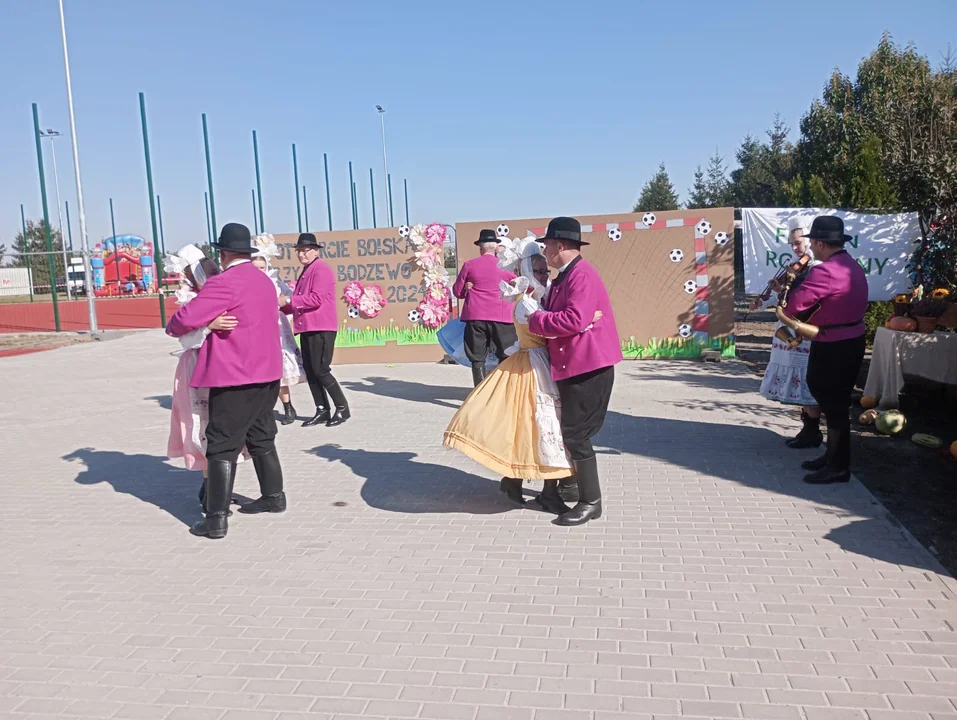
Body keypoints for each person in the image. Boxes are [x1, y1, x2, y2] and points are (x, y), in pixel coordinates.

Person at [444, 237, 599, 514]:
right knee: (543, 428)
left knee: (535, 429)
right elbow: (550, 330)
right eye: (538, 271)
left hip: (540, 365)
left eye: (545, 271)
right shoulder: (526, 303)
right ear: (525, 271)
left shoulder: (540, 297)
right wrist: (586, 321)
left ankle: (517, 481)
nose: (544, 275)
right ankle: (544, 491)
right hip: (533, 368)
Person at [166, 223, 287, 539]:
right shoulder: (263, 281)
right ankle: (274, 497)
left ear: (222, 253)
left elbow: (180, 322)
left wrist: (207, 319)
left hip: (234, 376)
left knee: (220, 445)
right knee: (262, 435)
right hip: (269, 373)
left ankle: (216, 518)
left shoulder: (223, 283)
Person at [520, 217, 623, 526]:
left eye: (547, 245)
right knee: (566, 432)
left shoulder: (582, 276)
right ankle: (565, 489)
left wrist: (535, 319)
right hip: (574, 366)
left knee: (576, 435)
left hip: (588, 368)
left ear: (560, 246)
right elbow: (569, 318)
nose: (545, 251)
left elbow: (573, 320)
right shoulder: (566, 275)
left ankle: (591, 501)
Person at [784, 215, 868, 485]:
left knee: (832, 403)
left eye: (812, 243)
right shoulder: (851, 265)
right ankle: (832, 456)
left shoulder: (825, 270)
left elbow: (793, 305)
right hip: (852, 340)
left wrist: (794, 283)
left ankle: (839, 466)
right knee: (835, 403)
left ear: (820, 243)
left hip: (833, 344)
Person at [164, 244, 246, 512]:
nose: (214, 272)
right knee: (205, 427)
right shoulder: (190, 299)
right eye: (207, 269)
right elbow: (183, 336)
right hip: (198, 369)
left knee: (222, 428)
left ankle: (217, 489)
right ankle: (211, 490)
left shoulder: (222, 291)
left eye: (214, 267)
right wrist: (208, 327)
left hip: (223, 368)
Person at [750, 216, 823, 448]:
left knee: (808, 379)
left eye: (798, 243)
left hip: (805, 329)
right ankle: (807, 428)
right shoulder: (795, 266)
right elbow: (780, 295)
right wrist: (761, 302)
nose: (794, 248)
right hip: (790, 329)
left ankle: (813, 431)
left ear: (810, 242)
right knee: (800, 379)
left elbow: (806, 300)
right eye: (792, 243)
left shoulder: (817, 269)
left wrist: (784, 290)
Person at [281, 232, 349, 427]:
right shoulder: (307, 270)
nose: (302, 254)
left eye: (306, 250)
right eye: (299, 251)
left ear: (315, 251)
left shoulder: (321, 269)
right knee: (311, 371)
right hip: (308, 328)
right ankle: (322, 409)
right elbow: (298, 302)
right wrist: (280, 305)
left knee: (321, 370)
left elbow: (316, 299)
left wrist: (286, 300)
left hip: (321, 327)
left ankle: (342, 408)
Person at [252, 234, 306, 426]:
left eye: (262, 267)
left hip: (275, 327)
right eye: (255, 267)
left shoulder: (274, 280)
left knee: (280, 370)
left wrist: (283, 302)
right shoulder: (247, 284)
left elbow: (290, 295)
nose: (259, 271)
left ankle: (288, 407)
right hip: (256, 329)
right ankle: (261, 410)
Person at [452, 229, 518, 387]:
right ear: (496, 247)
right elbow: (518, 285)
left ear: (480, 247)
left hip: (476, 316)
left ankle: (479, 393)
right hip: (502, 316)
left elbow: (457, 292)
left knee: (477, 358)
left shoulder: (469, 265)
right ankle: (504, 391)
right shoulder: (506, 266)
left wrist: (468, 287)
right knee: (506, 355)